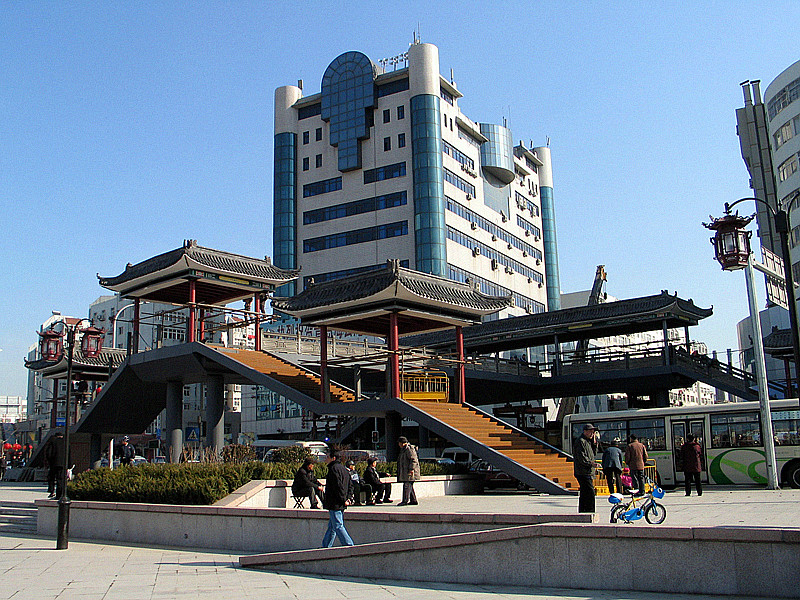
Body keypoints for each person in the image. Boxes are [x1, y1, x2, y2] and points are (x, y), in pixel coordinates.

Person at [321, 448, 354, 547]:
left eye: (328, 457)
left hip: (335, 502)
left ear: (333, 458)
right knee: (332, 526)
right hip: (341, 501)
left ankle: (349, 545)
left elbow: (337, 486)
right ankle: (325, 546)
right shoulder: (344, 469)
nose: (326, 459)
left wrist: (343, 500)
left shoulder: (333, 469)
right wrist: (348, 498)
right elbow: (350, 485)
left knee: (338, 525)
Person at [573, 424, 599, 513]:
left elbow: (594, 454)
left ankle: (583, 511)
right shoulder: (580, 441)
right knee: (590, 492)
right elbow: (582, 457)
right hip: (583, 471)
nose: (592, 434)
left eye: (593, 432)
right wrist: (591, 464)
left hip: (587, 471)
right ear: (585, 431)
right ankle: (589, 511)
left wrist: (595, 443)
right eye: (590, 431)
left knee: (585, 492)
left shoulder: (588, 442)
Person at [396, 436, 420, 506]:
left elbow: (413, 460)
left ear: (402, 443)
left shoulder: (409, 449)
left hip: (410, 471)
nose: (399, 445)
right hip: (406, 470)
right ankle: (413, 500)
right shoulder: (403, 449)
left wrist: (411, 469)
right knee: (409, 485)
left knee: (407, 485)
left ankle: (405, 501)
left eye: (399, 443)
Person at [45, 431, 66, 499]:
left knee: (51, 477)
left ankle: (52, 491)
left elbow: (48, 453)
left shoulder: (53, 442)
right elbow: (69, 453)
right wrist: (69, 464)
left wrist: (49, 461)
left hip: (53, 463)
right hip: (62, 464)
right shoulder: (65, 442)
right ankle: (59, 493)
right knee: (60, 479)